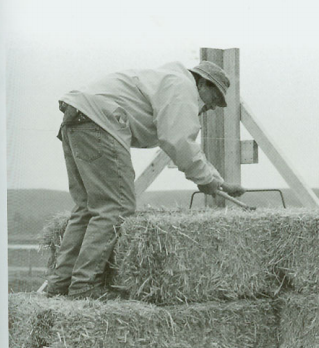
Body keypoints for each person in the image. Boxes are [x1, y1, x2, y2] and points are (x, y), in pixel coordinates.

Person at [47, 60, 246, 299]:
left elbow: (182, 142)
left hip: (78, 115)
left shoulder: (167, 81)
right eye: (214, 98)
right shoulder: (183, 88)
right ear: (202, 82)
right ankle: (85, 285)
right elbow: (179, 140)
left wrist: (217, 181)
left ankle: (60, 284)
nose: (212, 107)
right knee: (116, 206)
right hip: (101, 120)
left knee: (87, 208)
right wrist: (205, 180)